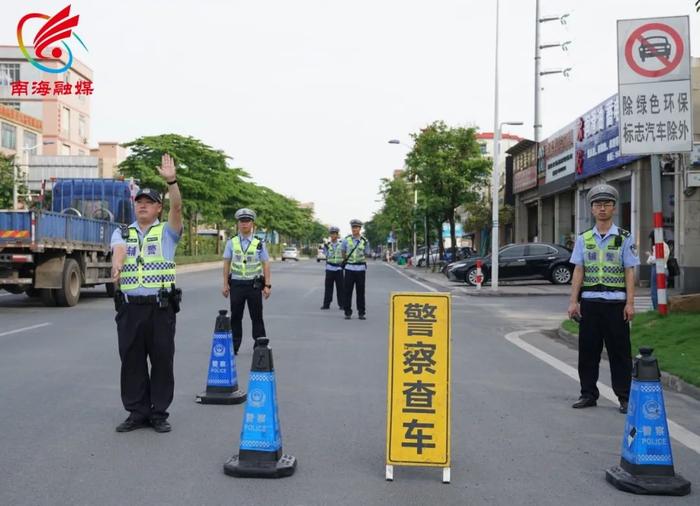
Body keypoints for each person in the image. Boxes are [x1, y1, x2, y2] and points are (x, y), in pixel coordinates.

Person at [110, 153, 183, 433]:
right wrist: (117, 264)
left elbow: (178, 208)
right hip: (129, 308)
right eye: (139, 202)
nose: (142, 206)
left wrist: (171, 182)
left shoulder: (167, 232)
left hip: (159, 308)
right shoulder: (122, 233)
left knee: (162, 359)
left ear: (158, 209)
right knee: (131, 361)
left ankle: (158, 412)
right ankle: (136, 411)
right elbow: (119, 251)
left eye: (149, 202)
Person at [567, 184, 639, 414]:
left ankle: (624, 397)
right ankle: (588, 394)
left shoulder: (625, 238)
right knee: (588, 351)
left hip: (616, 303)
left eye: (607, 204)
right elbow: (578, 270)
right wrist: (573, 301)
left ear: (614, 208)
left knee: (620, 353)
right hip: (590, 303)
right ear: (591, 209)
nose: (602, 208)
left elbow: (630, 270)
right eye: (598, 204)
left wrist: (630, 303)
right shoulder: (584, 238)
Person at [222, 208, 271, 354]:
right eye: (241, 222)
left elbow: (266, 263)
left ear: (252, 224)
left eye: (247, 221)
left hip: (254, 285)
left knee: (256, 316)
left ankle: (259, 344)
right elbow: (226, 263)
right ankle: (234, 346)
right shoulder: (232, 242)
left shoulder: (259, 243)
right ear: (238, 224)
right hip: (236, 284)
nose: (244, 224)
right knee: (236, 316)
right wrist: (225, 284)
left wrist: (267, 285)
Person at [342, 219, 370, 320]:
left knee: (360, 292)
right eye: (353, 227)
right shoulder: (346, 240)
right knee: (347, 291)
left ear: (360, 229)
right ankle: (347, 312)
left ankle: (361, 313)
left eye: (357, 227)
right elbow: (343, 252)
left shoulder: (365, 241)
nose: (355, 229)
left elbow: (367, 253)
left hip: (361, 269)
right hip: (349, 268)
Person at [321, 226, 344, 310]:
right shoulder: (327, 245)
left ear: (337, 235)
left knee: (340, 288)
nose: (333, 235)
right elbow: (326, 255)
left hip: (339, 268)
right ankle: (326, 304)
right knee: (328, 288)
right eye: (332, 233)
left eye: (335, 233)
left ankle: (342, 305)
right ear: (330, 235)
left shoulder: (341, 244)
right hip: (329, 268)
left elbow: (344, 255)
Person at [646, 231, 670, 310]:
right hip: (664, 268)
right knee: (663, 290)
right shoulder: (665, 245)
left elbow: (656, 259)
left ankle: (657, 309)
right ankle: (664, 308)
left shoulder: (658, 245)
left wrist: (649, 257)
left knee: (655, 290)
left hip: (657, 268)